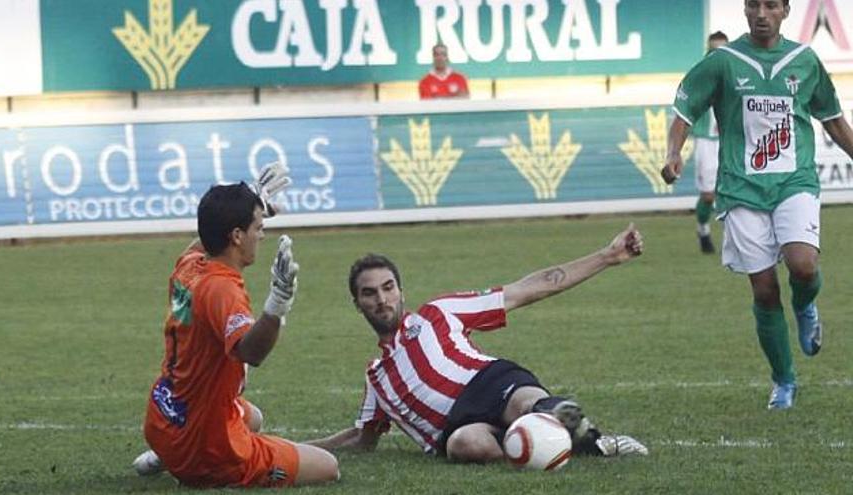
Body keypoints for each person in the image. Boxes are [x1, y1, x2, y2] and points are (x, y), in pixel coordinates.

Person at [307, 224, 649, 463]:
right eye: (369, 293)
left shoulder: (438, 312)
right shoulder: (376, 378)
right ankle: (540, 442)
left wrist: (606, 256)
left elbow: (526, 290)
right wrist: (290, 450)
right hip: (457, 426)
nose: (382, 299)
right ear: (358, 304)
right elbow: (361, 439)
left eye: (388, 287)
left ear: (401, 291)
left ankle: (590, 438)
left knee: (527, 402)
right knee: (465, 446)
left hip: (488, 381)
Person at [661, 0, 853, 410]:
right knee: (764, 290)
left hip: (794, 181)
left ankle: (805, 306)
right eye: (753, 5)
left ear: (785, 10)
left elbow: (833, 119)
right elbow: (684, 111)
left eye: (770, 5)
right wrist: (672, 152)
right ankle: (784, 381)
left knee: (804, 265)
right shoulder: (723, 62)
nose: (761, 13)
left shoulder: (805, 61)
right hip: (741, 187)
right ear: (745, 10)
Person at [131, 163, 340, 488]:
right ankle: (192, 464)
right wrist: (278, 302)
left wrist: (255, 202)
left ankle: (166, 453)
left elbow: (206, 237)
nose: (263, 233)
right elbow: (250, 351)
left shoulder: (190, 265)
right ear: (237, 235)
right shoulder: (222, 289)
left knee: (252, 416)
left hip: (164, 418)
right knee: (328, 467)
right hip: (205, 453)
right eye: (258, 225)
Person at [690, 31, 729, 254]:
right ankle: (703, 228)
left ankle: (735, 237)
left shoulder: (736, 72)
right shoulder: (700, 75)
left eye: (722, 49)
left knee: (732, 191)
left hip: (728, 140)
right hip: (706, 141)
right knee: (708, 195)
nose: (717, 54)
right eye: (713, 50)